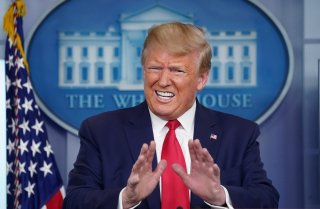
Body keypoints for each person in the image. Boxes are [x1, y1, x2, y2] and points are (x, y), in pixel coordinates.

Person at [63, 22, 279, 209]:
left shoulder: (239, 134)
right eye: (155, 68)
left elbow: (267, 200)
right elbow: (74, 201)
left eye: (177, 70)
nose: (163, 81)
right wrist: (125, 199)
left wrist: (220, 196)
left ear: (201, 79)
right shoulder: (101, 131)